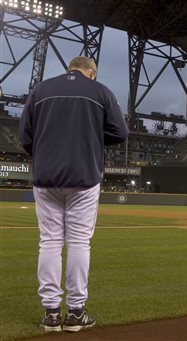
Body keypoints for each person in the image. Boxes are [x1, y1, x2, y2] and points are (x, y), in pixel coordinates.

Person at [19, 56, 129, 332]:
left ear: (70, 68)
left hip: (46, 176)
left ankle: (52, 313)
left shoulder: (40, 90)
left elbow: (25, 137)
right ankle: (76, 313)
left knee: (50, 242)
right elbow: (120, 132)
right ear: (91, 72)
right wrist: (91, 134)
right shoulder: (100, 90)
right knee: (79, 242)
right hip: (84, 176)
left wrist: (45, 155)